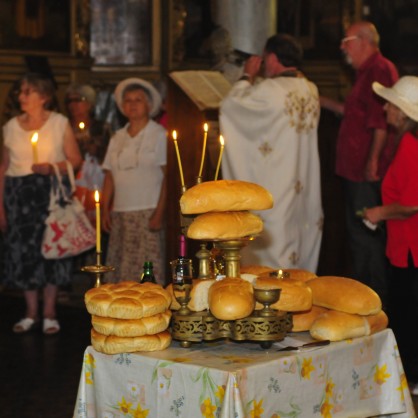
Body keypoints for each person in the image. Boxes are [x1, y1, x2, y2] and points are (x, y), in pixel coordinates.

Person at [220, 33, 323, 272]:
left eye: (265, 59)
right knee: (298, 233)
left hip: (277, 182)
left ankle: (272, 295)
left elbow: (230, 106)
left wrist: (247, 76)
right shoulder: (310, 88)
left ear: (273, 58)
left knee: (275, 237)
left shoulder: (270, 89)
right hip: (302, 184)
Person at [320, 21, 399, 304]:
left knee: (367, 237)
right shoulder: (365, 73)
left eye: (347, 40)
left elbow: (380, 123)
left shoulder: (380, 69)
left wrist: (373, 161)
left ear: (364, 40)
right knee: (359, 236)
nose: (342, 46)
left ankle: (373, 301)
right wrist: (322, 101)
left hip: (366, 172)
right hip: (355, 170)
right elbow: (355, 114)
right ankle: (367, 296)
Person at [0, 72, 82, 334]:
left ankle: (49, 311)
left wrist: (51, 167)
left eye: (27, 92)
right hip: (18, 196)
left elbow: (75, 159)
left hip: (49, 192)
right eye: (20, 92)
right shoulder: (11, 126)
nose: (21, 96)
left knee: (52, 251)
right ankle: (30, 311)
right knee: (23, 253)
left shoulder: (59, 123)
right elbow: (3, 167)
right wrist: (0, 206)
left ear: (44, 96)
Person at [363, 76, 418, 393]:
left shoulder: (410, 145)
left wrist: (378, 213)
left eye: (390, 104)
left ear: (402, 111)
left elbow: (411, 204)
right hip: (406, 244)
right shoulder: (407, 141)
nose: (385, 108)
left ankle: (408, 380)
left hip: (408, 247)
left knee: (406, 315)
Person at [102, 78, 167, 284]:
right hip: (121, 214)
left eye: (138, 100)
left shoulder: (158, 134)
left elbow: (168, 177)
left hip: (147, 213)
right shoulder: (117, 137)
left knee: (147, 271)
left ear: (149, 105)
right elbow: (110, 176)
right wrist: (105, 209)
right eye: (128, 100)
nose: (132, 104)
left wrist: (159, 213)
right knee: (120, 271)